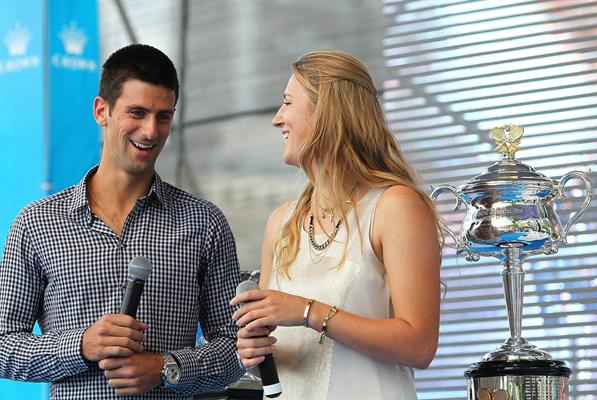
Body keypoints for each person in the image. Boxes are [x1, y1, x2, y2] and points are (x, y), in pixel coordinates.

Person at [0, 44, 244, 398]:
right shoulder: (37, 223)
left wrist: (166, 368)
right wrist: (81, 346)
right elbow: (4, 346)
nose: (150, 131)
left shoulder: (203, 222)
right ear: (102, 111)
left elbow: (236, 348)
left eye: (163, 116)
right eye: (137, 112)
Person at [230, 50, 442, 399]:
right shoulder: (280, 223)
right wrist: (254, 356)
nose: (277, 119)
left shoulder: (395, 206)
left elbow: (419, 345)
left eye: (287, 103)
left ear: (326, 111)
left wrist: (306, 311)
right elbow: (280, 351)